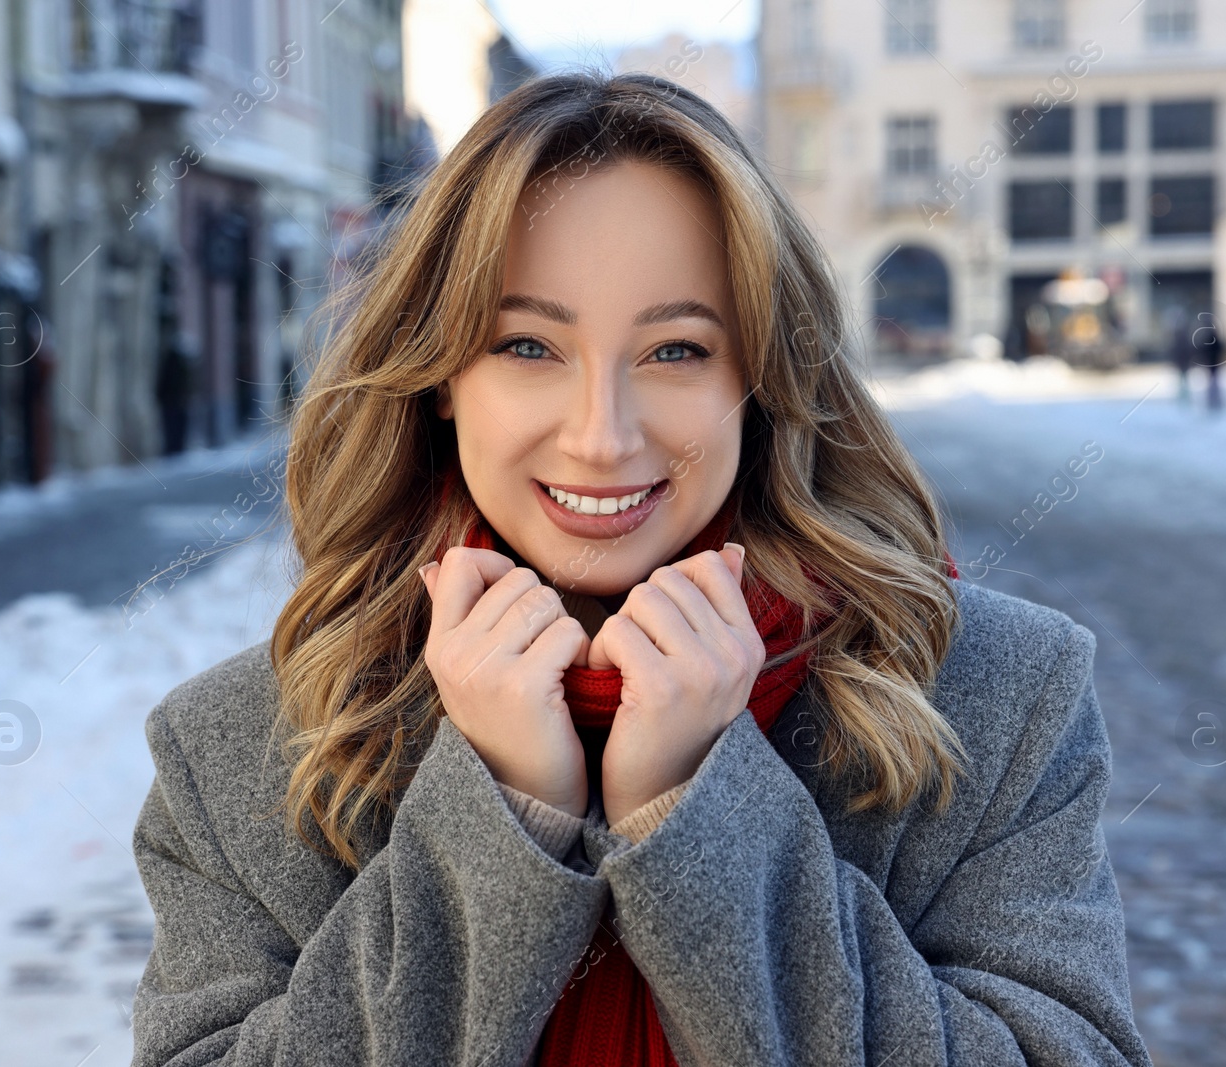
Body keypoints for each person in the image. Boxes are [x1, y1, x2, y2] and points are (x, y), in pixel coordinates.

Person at [128, 71, 1152, 1066]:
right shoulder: (239, 752)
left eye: (675, 351)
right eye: (527, 346)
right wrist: (506, 813)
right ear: (439, 373)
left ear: (759, 376)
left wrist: (694, 812)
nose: (602, 437)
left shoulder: (996, 698)